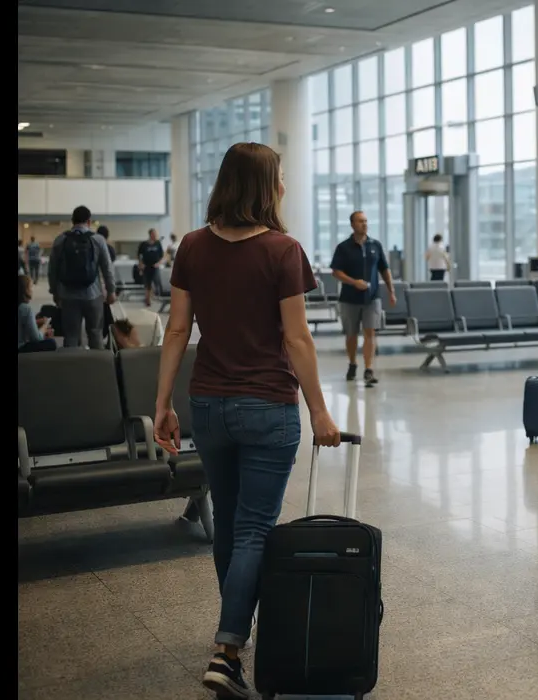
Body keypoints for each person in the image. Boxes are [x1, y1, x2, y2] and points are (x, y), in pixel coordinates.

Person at [151, 142, 343, 700]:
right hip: (267, 407)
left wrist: (162, 404)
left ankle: (231, 634)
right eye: (280, 176)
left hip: (208, 405)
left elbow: (177, 331)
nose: (284, 184)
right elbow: (296, 338)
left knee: (232, 527)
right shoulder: (284, 251)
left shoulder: (191, 246)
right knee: (255, 529)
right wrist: (320, 409)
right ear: (266, 187)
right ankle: (228, 651)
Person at [330, 210, 396, 387]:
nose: (364, 224)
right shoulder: (343, 247)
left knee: (370, 333)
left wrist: (391, 291)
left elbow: (384, 269)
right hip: (349, 299)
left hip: (372, 298)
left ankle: (369, 370)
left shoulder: (375, 245)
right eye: (360, 221)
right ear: (352, 224)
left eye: (366, 221)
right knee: (351, 335)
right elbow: (336, 272)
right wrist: (354, 282)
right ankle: (352, 363)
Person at [48, 206, 116, 349]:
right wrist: (111, 291)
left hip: (68, 295)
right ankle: (98, 368)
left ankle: (72, 369)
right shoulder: (98, 240)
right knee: (95, 333)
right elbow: (107, 268)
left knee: (71, 335)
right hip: (93, 295)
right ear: (89, 221)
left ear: (72, 221)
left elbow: (52, 269)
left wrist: (55, 292)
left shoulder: (60, 240)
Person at [18, 274, 56, 353]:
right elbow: (36, 338)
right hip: (20, 348)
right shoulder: (25, 308)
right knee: (51, 343)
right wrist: (45, 326)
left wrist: (36, 321)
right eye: (30, 288)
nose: (32, 290)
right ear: (25, 290)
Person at [138, 228, 166, 307]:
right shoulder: (144, 244)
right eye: (154, 234)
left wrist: (159, 263)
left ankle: (151, 296)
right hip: (146, 266)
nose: (155, 235)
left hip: (155, 266)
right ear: (150, 234)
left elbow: (162, 255)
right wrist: (141, 264)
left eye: (156, 234)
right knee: (147, 283)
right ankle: (148, 299)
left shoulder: (158, 243)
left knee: (156, 282)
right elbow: (139, 255)